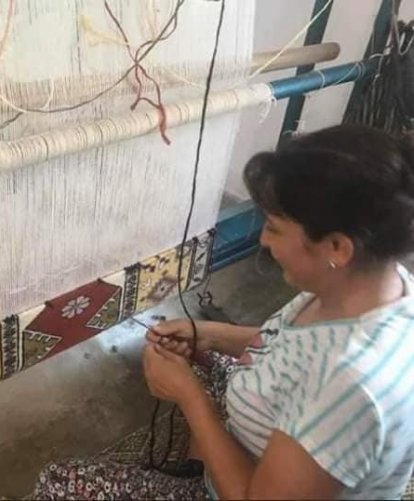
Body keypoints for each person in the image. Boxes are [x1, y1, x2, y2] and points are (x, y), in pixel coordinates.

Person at [32, 124, 414, 499]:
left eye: (274, 228)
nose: (263, 240)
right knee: (191, 361)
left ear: (337, 248)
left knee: (61, 484)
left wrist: (192, 398)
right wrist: (208, 335)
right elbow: (290, 345)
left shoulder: (350, 388)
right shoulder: (378, 285)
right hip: (291, 431)